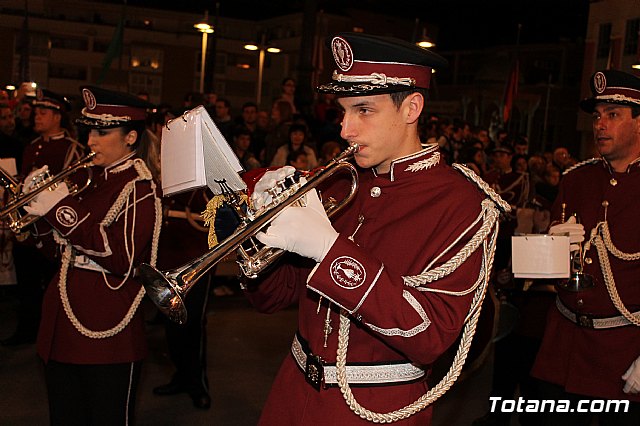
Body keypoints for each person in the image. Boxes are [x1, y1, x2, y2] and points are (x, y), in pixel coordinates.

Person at [240, 32, 508, 425]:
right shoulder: (335, 184)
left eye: (364, 110)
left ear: (411, 107)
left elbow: (430, 337)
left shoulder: (463, 205)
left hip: (377, 409)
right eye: (343, 112)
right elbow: (275, 297)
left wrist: (328, 249)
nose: (346, 129)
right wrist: (254, 233)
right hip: (291, 393)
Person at [25, 85, 162, 425]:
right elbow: (60, 251)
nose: (91, 141)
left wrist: (59, 210)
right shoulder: (89, 179)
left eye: (103, 132)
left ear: (131, 137)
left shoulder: (141, 188)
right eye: (90, 131)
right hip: (62, 326)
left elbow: (122, 259)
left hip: (105, 331)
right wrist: (36, 220)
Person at [531, 69, 640, 425]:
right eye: (597, 116)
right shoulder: (577, 179)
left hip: (623, 353)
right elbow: (539, 273)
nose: (600, 125)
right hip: (563, 347)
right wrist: (548, 249)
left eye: (613, 115)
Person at [2, 89, 85, 346]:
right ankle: (27, 330)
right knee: (27, 285)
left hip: (52, 232)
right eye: (36, 112)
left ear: (58, 117)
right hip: (28, 230)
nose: (37, 117)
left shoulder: (71, 150)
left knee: (53, 285)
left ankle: (53, 333)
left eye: (43, 113)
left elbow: (74, 190)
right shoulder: (32, 147)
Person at [152, 188, 214, 410]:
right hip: (166, 260)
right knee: (172, 324)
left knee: (193, 324)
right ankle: (181, 376)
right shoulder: (153, 181)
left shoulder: (195, 183)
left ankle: (198, 384)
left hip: (195, 260)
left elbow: (210, 208)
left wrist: (178, 189)